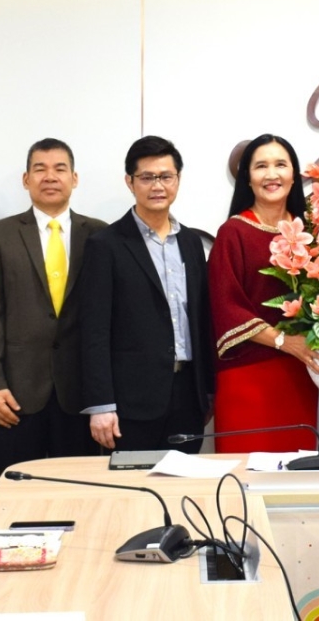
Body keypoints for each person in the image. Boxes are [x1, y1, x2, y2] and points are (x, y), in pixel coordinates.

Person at [0, 139, 104, 483]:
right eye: (40, 169)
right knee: (14, 495)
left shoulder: (100, 235)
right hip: (16, 393)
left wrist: (106, 396)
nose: (50, 177)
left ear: (74, 178)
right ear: (26, 179)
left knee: (78, 492)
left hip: (81, 393)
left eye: (60, 169)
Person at [79, 137, 214, 454]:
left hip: (188, 395)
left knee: (183, 482)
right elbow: (94, 331)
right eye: (147, 177)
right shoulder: (106, 245)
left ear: (178, 179)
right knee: (130, 483)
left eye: (166, 176)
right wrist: (101, 405)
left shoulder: (191, 243)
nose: (157, 186)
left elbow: (201, 320)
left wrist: (207, 390)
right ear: (130, 182)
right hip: (130, 402)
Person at [209, 134, 319, 454]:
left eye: (280, 165)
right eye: (261, 166)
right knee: (244, 470)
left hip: (299, 374)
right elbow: (226, 306)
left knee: (295, 469)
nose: (272, 174)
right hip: (247, 375)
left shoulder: (312, 234)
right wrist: (284, 341)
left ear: (294, 174)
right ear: (247, 177)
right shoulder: (233, 233)